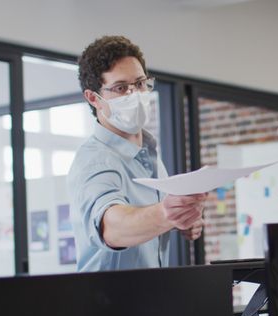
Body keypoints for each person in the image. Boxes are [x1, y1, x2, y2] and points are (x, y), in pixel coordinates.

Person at [68, 36, 206, 272]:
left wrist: (178, 222)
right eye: (121, 88)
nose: (135, 95)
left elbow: (145, 220)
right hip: (108, 304)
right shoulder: (96, 159)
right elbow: (111, 227)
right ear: (94, 98)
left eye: (140, 83)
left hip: (149, 298)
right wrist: (165, 214)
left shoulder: (147, 155)